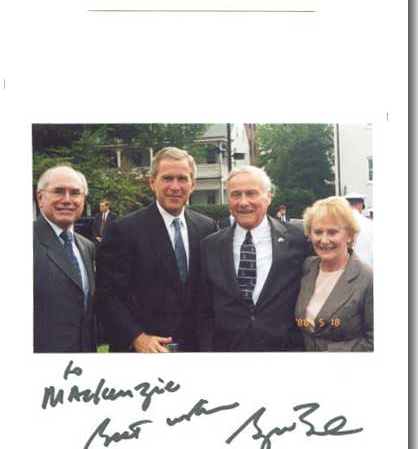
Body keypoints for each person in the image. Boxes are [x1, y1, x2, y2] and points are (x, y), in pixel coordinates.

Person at [96, 147, 217, 352]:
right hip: (144, 350)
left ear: (193, 184)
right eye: (167, 178)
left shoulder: (207, 227)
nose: (175, 186)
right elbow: (107, 296)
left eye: (182, 179)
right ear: (152, 182)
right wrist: (137, 337)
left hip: (196, 349)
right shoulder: (124, 230)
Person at [198, 165, 312, 352]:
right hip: (227, 352)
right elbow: (203, 308)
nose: (243, 202)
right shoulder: (210, 245)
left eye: (251, 193)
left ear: (268, 196)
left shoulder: (298, 239)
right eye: (236, 195)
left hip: (284, 352)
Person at [294, 196, 373, 351]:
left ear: (350, 235)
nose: (324, 240)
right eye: (317, 232)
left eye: (332, 232)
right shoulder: (307, 267)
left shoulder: (368, 278)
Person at [33, 164, 96, 352]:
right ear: (40, 197)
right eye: (59, 191)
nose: (67, 200)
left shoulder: (87, 246)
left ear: (83, 200)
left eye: (75, 193)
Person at [344, 192, 373, 266]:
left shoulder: (339, 222)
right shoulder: (370, 223)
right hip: (367, 267)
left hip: (345, 268)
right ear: (360, 206)